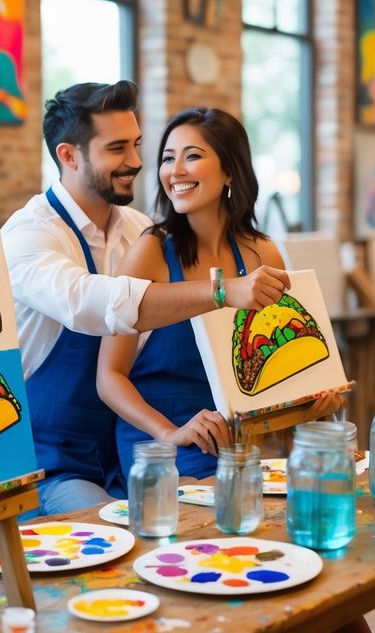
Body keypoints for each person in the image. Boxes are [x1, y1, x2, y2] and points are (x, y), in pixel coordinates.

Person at [1, 82, 291, 515]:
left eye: (137, 146)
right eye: (118, 148)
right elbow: (88, 303)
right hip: (53, 465)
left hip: (124, 456)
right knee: (112, 535)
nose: (136, 162)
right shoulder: (29, 235)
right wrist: (222, 290)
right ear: (69, 155)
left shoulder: (137, 228)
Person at [96, 107, 340, 480]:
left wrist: (311, 403)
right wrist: (169, 432)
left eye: (192, 156)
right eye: (167, 158)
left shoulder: (263, 253)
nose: (174, 171)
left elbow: (275, 380)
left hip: (235, 445)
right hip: (161, 443)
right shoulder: (151, 251)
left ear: (229, 171)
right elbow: (109, 376)